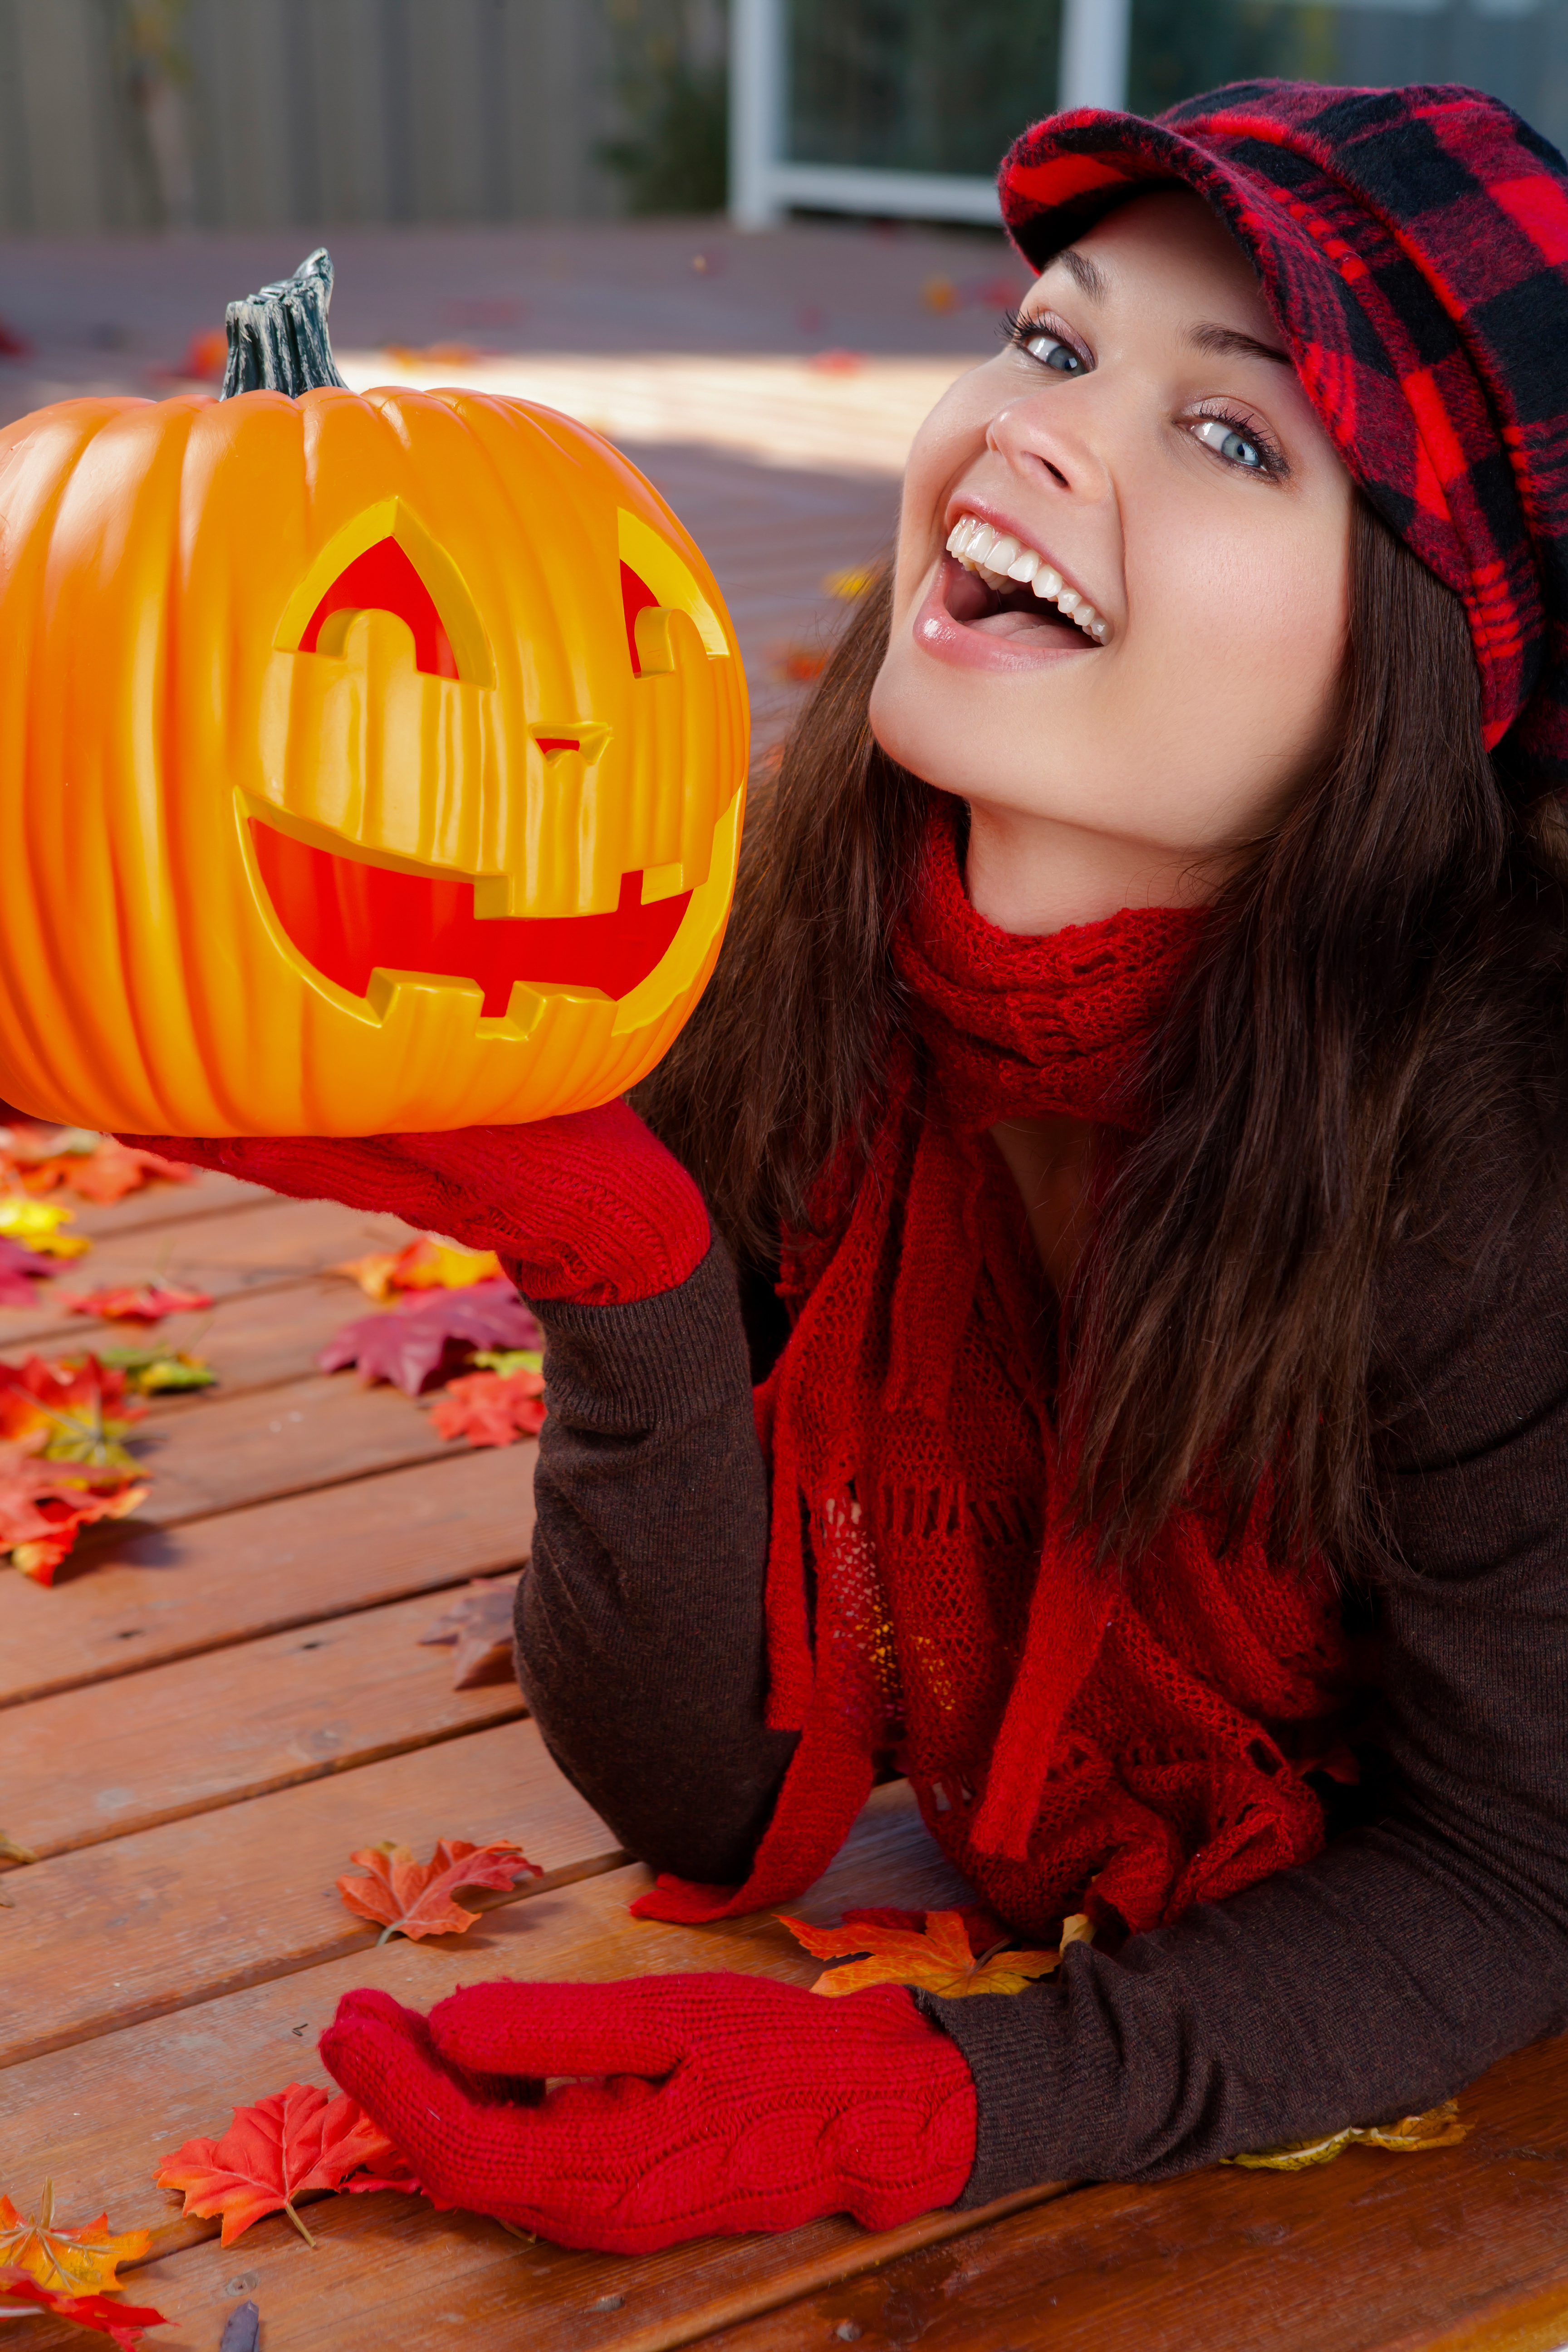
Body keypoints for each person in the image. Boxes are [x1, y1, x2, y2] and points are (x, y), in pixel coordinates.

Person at [142, 79, 1568, 2251]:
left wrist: (930, 2103)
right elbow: (700, 1783)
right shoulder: (783, 968)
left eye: (1235, 434)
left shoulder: (1490, 1146)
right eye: (1059, 345)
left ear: (1424, 669)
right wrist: (628, 1279)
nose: (1041, 429)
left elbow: (1509, 1873)